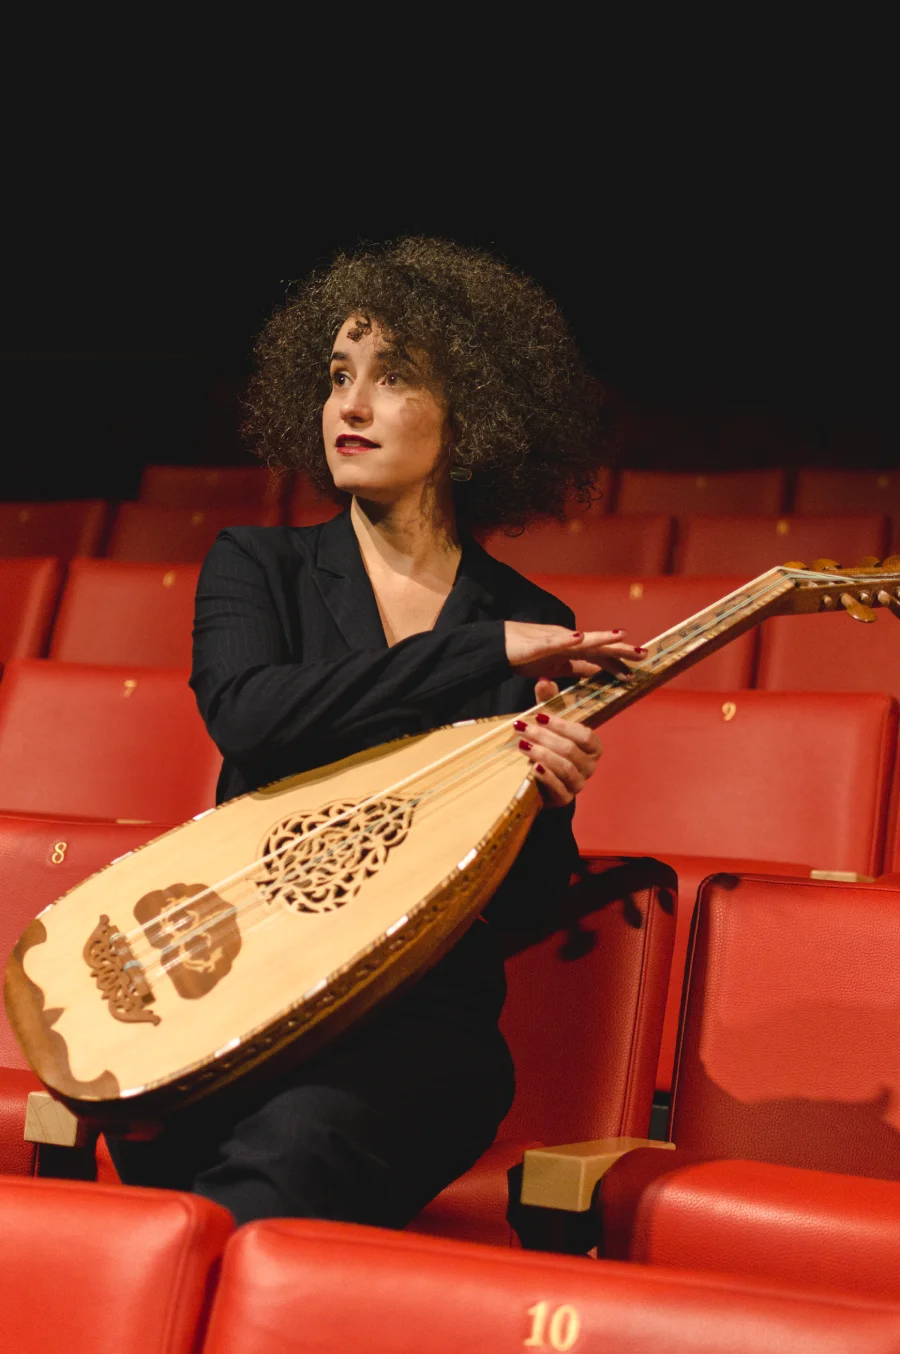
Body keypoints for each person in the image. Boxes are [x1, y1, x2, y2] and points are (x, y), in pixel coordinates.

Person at [110, 238, 642, 1227]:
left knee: (294, 1150)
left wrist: (548, 796)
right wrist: (483, 652)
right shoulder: (257, 566)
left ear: (472, 413)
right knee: (182, 1143)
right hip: (245, 989)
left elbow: (520, 898)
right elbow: (254, 716)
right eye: (338, 376)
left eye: (392, 378)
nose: (349, 407)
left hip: (420, 1022)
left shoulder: (525, 614)